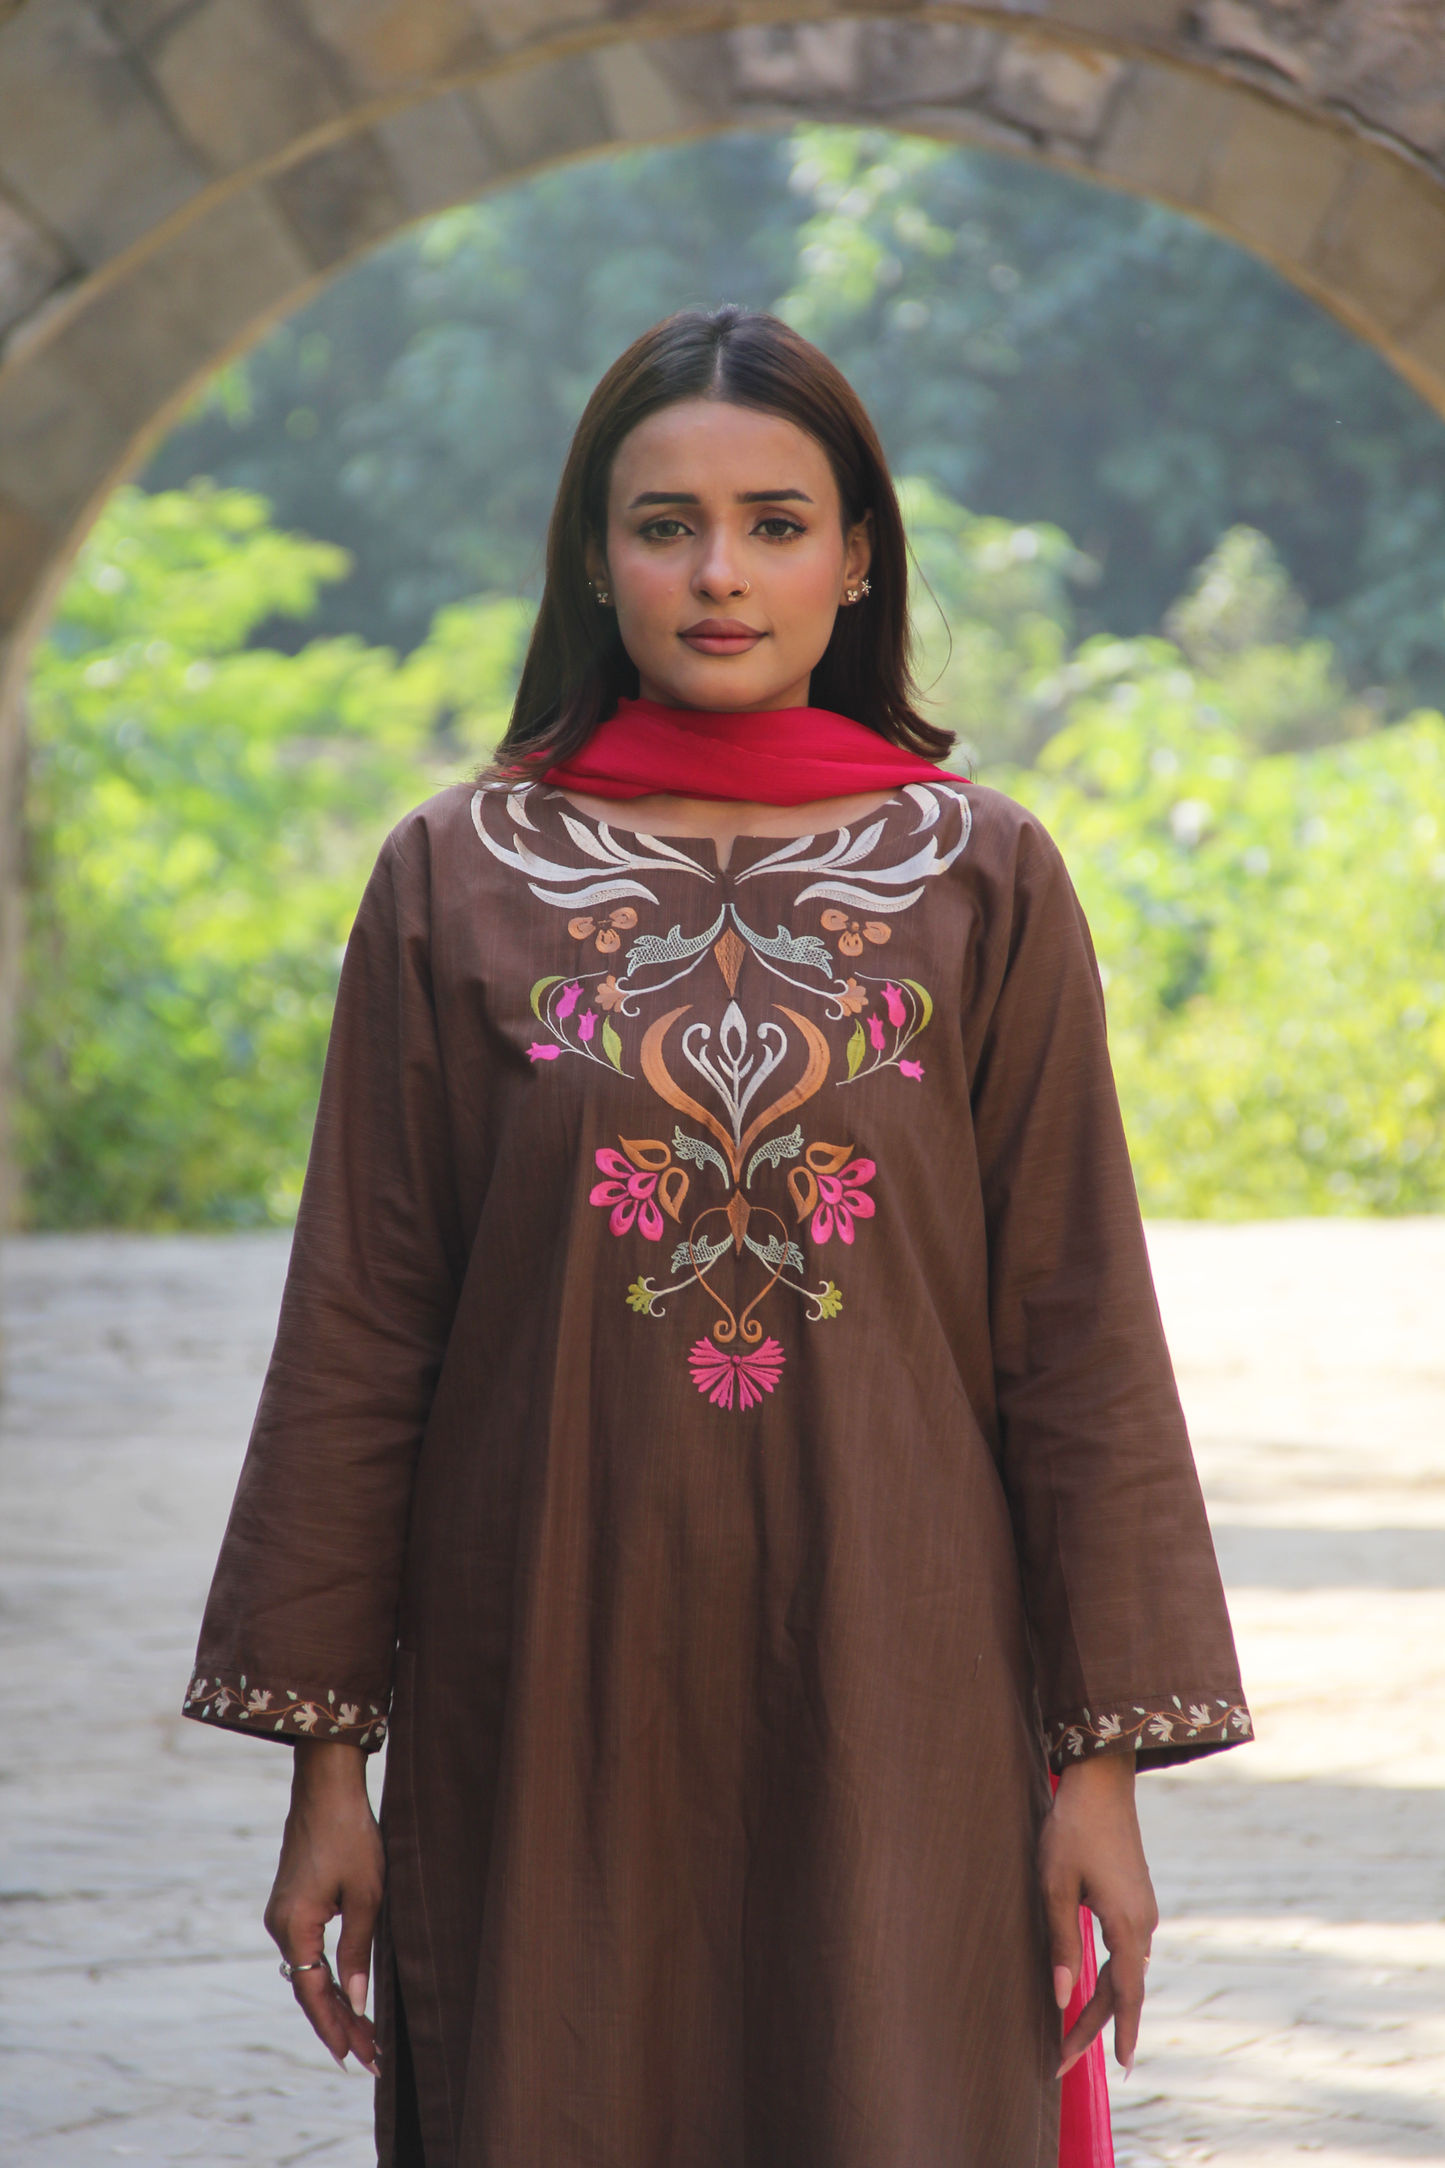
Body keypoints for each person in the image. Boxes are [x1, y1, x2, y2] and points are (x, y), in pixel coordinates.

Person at [185, 305, 1250, 2168]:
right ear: (595, 561)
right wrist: (327, 1771)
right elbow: (363, 1331)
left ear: (858, 560)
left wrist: (1098, 1775)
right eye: (664, 523)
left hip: (900, 1691)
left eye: (775, 520)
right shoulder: (456, 878)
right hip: (542, 1698)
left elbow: (1074, 1335)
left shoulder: (981, 877)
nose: (721, 573)